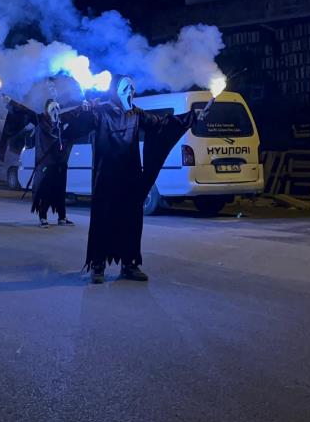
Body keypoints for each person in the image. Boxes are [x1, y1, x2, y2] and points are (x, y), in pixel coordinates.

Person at [70, 75, 212, 284]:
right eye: (127, 88)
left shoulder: (136, 114)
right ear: (115, 91)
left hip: (130, 175)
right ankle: (98, 266)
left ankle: (129, 264)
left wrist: (193, 115)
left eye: (133, 88)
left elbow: (163, 124)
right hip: (106, 178)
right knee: (103, 220)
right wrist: (82, 112)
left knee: (132, 221)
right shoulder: (99, 112)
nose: (132, 91)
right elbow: (76, 129)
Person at [0, 95, 80, 227]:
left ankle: (62, 217)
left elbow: (74, 113)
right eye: (53, 109)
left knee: (60, 190)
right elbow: (25, 111)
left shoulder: (60, 121)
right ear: (47, 110)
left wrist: (89, 105)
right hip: (45, 163)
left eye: (58, 108)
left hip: (60, 162)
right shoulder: (40, 120)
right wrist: (11, 102)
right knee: (44, 190)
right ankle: (43, 217)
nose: (56, 112)